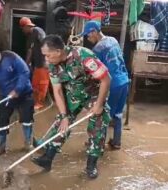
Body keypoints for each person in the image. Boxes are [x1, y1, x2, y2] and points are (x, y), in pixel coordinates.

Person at [31, 35, 111, 178]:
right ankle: (47, 159)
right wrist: (64, 116)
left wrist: (98, 105)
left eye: (48, 55)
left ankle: (91, 166)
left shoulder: (83, 56)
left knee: (97, 126)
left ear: (58, 51)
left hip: (93, 93)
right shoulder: (52, 65)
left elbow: (106, 79)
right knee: (61, 124)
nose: (46, 59)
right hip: (72, 94)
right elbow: (57, 90)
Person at [82, 20, 129, 149]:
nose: (88, 37)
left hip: (112, 84)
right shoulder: (113, 40)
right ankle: (116, 142)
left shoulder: (98, 49)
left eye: (88, 34)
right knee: (117, 114)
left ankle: (97, 144)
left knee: (103, 115)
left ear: (94, 32)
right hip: (124, 81)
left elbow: (95, 73)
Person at [19, 17, 50, 110]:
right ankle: (35, 101)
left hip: (43, 63)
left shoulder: (38, 31)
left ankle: (40, 103)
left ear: (27, 26)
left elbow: (46, 44)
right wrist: (25, 65)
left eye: (22, 28)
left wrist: (47, 60)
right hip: (36, 64)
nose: (22, 31)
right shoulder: (29, 37)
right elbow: (30, 51)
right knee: (35, 84)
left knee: (42, 84)